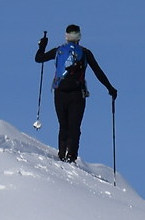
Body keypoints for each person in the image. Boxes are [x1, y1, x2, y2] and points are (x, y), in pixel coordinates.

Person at [34, 25, 116, 162]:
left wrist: (42, 46)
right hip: (78, 94)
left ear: (66, 36)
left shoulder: (59, 51)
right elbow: (98, 72)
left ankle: (62, 154)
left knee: (63, 124)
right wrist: (110, 88)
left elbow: (39, 58)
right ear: (79, 37)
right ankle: (71, 156)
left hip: (60, 92)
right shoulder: (85, 52)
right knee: (75, 126)